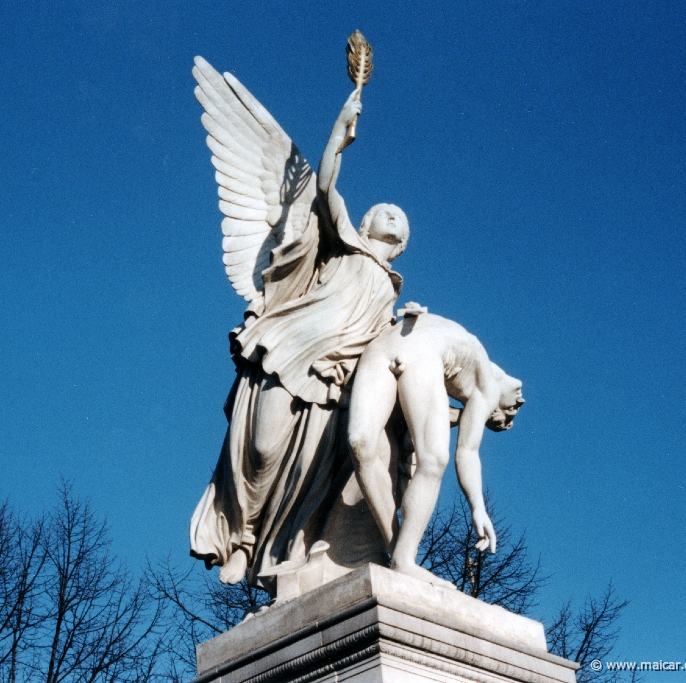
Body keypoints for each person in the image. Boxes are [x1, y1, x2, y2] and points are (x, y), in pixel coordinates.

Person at [190, 92, 410, 588]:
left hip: (334, 379)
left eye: (401, 216)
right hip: (291, 347)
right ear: (366, 223)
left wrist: (409, 329)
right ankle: (240, 538)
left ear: (404, 241)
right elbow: (325, 183)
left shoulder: (394, 293)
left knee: (307, 477)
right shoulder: (344, 243)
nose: (393, 213)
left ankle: (269, 552)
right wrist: (340, 132)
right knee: (263, 450)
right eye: (384, 210)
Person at [347, 311, 524, 588]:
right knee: (368, 447)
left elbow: (466, 449)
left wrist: (478, 507)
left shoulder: (482, 379)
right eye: (510, 411)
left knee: (372, 448)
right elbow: (466, 451)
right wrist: (477, 507)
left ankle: (401, 557)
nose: (519, 400)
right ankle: (401, 554)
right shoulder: (486, 378)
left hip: (396, 349)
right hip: (392, 347)